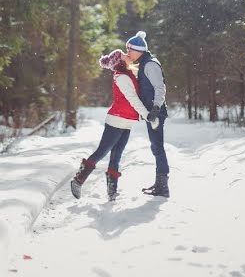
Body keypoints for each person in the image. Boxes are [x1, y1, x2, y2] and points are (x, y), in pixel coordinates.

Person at [70, 49, 158, 201]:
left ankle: (112, 192)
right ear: (120, 61)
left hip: (126, 122)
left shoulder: (129, 74)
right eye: (124, 54)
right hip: (116, 121)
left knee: (116, 157)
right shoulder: (122, 77)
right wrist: (147, 115)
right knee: (101, 153)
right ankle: (78, 181)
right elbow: (132, 99)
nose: (127, 54)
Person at [125, 30, 170, 198]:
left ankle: (163, 186)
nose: (128, 53)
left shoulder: (150, 64)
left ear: (138, 50)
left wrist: (156, 108)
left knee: (157, 147)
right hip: (151, 113)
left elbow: (160, 87)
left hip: (155, 112)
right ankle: (160, 183)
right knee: (155, 146)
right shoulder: (143, 63)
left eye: (130, 50)